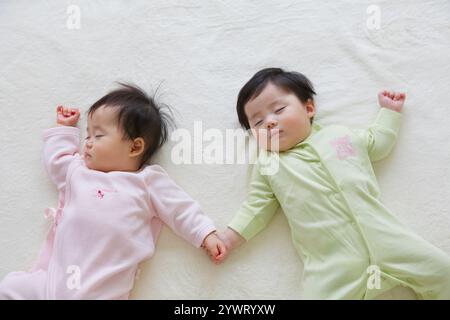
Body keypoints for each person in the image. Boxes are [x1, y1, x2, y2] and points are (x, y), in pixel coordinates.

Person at [216, 67, 450, 299]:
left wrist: (389, 114)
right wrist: (228, 239)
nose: (269, 122)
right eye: (257, 123)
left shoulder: (340, 135)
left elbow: (377, 143)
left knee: (443, 272)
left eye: (278, 110)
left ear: (309, 108)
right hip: (332, 264)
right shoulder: (269, 164)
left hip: (388, 240)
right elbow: (256, 207)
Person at [0, 83, 225, 299]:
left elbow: (179, 207)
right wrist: (64, 129)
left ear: (135, 147)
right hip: (51, 285)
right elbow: (56, 162)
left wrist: (205, 234)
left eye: (98, 136)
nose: (87, 142)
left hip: (103, 292)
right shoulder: (78, 172)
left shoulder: (146, 183)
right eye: (87, 135)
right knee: (11, 287)